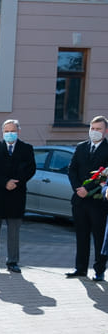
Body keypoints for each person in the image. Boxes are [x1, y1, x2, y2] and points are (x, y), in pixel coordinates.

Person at [0, 119, 37, 272]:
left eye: (12, 131)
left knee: (13, 231)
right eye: (6, 131)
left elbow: (31, 169)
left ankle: (12, 261)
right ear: (2, 132)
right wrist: (5, 182)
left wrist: (16, 183)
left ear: (18, 131)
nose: (9, 134)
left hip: (16, 195)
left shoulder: (26, 148)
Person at [66, 115, 108, 281]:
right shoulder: (81, 147)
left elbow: (105, 175)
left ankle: (99, 270)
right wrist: (78, 189)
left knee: (99, 238)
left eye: (98, 129)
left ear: (105, 131)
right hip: (79, 200)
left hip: (98, 201)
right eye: (92, 128)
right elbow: (72, 169)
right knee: (81, 236)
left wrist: (88, 189)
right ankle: (80, 268)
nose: (94, 132)